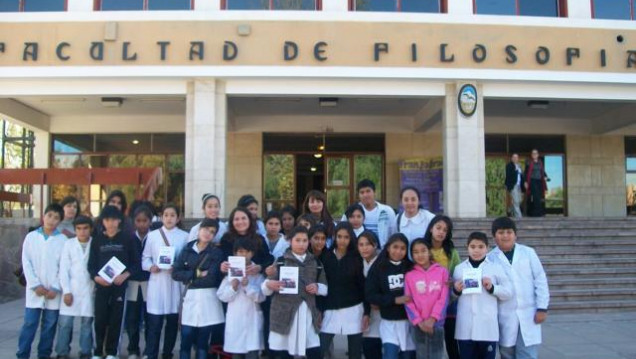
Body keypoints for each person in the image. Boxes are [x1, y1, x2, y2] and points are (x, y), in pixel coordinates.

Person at [487, 217, 549, 359]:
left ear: (515, 235)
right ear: (494, 236)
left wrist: (542, 308)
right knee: (507, 354)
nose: (505, 236)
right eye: (501, 232)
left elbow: (540, 280)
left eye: (509, 232)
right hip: (505, 315)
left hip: (529, 313)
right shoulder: (490, 258)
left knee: (527, 354)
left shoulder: (528, 253)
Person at [262, 226, 328, 359]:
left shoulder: (315, 262)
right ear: (290, 241)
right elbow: (265, 288)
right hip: (284, 314)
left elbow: (325, 287)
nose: (301, 244)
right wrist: (270, 284)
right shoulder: (281, 261)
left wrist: (317, 287)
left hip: (307, 314)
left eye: (304, 240)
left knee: (312, 350)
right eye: (297, 240)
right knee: (284, 352)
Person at [88, 205, 140, 359]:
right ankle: (98, 351)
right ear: (102, 221)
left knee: (116, 319)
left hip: (119, 287)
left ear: (119, 221)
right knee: (99, 319)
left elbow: (136, 263)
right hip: (101, 287)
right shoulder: (97, 240)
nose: (111, 223)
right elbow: (91, 265)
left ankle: (112, 352)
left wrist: (124, 276)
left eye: (114, 220)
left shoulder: (127, 238)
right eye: (107, 220)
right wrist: (97, 278)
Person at [16, 203, 66, 359]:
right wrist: (35, 284)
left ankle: (44, 354)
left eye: (56, 218)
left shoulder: (63, 240)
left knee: (49, 326)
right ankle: (22, 354)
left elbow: (64, 266)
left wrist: (56, 287)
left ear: (60, 221)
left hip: (53, 292)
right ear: (43, 216)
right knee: (30, 323)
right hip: (35, 291)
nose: (52, 220)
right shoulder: (31, 237)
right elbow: (26, 262)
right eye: (49, 216)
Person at [453, 232, 511, 359]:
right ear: (467, 247)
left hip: (487, 328)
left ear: (487, 248)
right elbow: (452, 296)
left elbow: (508, 292)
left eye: (481, 247)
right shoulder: (459, 269)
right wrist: (456, 290)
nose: (476, 250)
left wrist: (492, 288)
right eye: (473, 247)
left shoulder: (495, 268)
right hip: (465, 329)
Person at [173, 218, 225, 359]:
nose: (208, 233)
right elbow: (175, 273)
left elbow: (211, 278)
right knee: (185, 341)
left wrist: (188, 276)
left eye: (212, 232)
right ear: (199, 229)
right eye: (206, 229)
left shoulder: (216, 253)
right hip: (190, 298)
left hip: (208, 300)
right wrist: (197, 274)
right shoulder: (187, 249)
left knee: (203, 344)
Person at [143, 204, 189, 359]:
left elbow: (187, 260)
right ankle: (151, 354)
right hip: (157, 283)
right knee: (154, 324)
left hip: (175, 284)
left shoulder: (184, 236)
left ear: (178, 218)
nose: (169, 218)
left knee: (172, 322)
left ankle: (167, 353)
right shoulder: (153, 235)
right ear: (162, 217)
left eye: (172, 215)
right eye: (166, 215)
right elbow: (145, 258)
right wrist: (151, 266)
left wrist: (177, 267)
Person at [365, 233, 415, 359]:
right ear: (388, 247)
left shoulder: (411, 268)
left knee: (408, 356)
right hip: (389, 323)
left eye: (402, 248)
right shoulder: (378, 268)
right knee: (390, 355)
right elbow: (370, 295)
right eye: (395, 247)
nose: (398, 251)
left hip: (410, 323)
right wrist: (394, 300)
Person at [320, 222, 366, 359]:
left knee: (355, 352)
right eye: (339, 236)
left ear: (351, 238)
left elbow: (362, 286)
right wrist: (320, 309)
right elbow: (322, 283)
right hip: (330, 308)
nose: (342, 240)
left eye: (346, 237)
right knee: (321, 348)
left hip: (354, 308)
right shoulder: (326, 256)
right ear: (334, 237)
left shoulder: (357, 258)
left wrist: (366, 312)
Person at [218, 237, 267, 359]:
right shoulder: (230, 272)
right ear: (235, 253)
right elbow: (221, 296)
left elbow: (261, 297)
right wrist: (233, 287)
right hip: (235, 321)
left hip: (252, 321)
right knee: (236, 354)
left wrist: (247, 286)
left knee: (252, 353)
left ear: (252, 253)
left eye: (246, 251)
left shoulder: (257, 273)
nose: (243, 254)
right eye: (240, 251)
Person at [54, 215, 95, 359]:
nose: (82, 232)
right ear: (75, 229)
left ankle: (85, 351)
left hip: (89, 290)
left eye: (85, 228)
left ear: (90, 229)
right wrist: (66, 291)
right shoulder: (69, 244)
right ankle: (62, 352)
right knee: (65, 323)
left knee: (86, 324)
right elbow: (63, 269)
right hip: (71, 289)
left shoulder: (95, 244)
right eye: (79, 229)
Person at [422, 215, 461, 359]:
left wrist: (452, 281)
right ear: (431, 228)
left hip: (448, 301)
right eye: (438, 228)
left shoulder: (451, 251)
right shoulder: (422, 248)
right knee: (430, 343)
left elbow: (458, 272)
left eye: (445, 230)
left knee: (452, 341)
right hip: (427, 302)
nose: (441, 232)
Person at [404, 238, 449, 359]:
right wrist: (419, 321)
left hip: (437, 323)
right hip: (419, 325)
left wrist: (433, 318)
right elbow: (408, 301)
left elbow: (444, 298)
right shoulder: (409, 275)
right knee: (421, 355)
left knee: (437, 355)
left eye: (423, 251)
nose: (420, 255)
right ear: (412, 255)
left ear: (429, 252)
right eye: (416, 252)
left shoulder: (442, 272)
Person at [125, 205, 153, 359]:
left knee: (150, 319)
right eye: (138, 220)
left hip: (150, 283)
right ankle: (133, 349)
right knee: (132, 318)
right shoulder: (129, 238)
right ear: (134, 221)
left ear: (150, 221)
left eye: (145, 220)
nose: (142, 224)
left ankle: (149, 350)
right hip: (132, 283)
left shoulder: (154, 237)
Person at [347, 179, 397, 249]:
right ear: (358, 195)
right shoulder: (352, 211)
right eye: (362, 192)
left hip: (381, 254)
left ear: (374, 192)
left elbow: (394, 235)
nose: (365, 195)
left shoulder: (387, 211)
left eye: (368, 191)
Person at [357, 231, 382, 359]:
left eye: (368, 244)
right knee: (369, 349)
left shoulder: (383, 263)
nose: (364, 248)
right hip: (367, 313)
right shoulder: (358, 264)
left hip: (384, 312)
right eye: (361, 245)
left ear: (375, 245)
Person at [524, 149, 550, 217]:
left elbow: (543, 172)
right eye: (533, 153)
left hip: (539, 181)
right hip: (532, 181)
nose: (534, 154)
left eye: (535, 153)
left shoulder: (540, 162)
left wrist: (546, 177)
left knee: (539, 196)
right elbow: (526, 172)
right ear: (531, 155)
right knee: (535, 197)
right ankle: (536, 213)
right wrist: (525, 182)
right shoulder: (529, 162)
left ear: (538, 155)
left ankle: (538, 212)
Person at [505, 154, 525, 218]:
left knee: (519, 200)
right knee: (516, 201)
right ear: (511, 158)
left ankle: (510, 210)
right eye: (514, 157)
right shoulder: (509, 166)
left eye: (516, 157)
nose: (515, 159)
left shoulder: (519, 166)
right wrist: (516, 170)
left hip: (519, 186)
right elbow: (509, 175)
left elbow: (521, 176)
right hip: (513, 185)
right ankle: (519, 217)